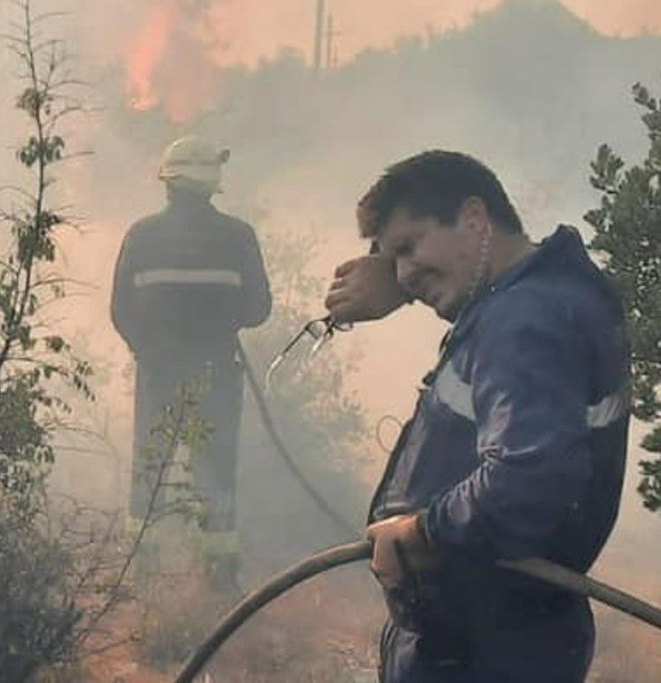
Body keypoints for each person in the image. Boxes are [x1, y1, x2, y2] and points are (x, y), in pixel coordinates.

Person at [324, 150, 629, 682]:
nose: (402, 271)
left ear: (473, 218)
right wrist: (407, 276)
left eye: (408, 246)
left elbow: (530, 477)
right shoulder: (541, 294)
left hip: (485, 649)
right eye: (392, 257)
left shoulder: (523, 321)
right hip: (498, 636)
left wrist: (422, 531)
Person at [110, 135, 271, 592]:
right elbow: (258, 309)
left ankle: (141, 574)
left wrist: (150, 348)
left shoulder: (141, 236)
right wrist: (217, 320)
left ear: (168, 181)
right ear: (211, 184)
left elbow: (120, 310)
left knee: (150, 466)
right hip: (216, 372)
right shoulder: (238, 236)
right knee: (215, 469)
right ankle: (219, 578)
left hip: (158, 372)